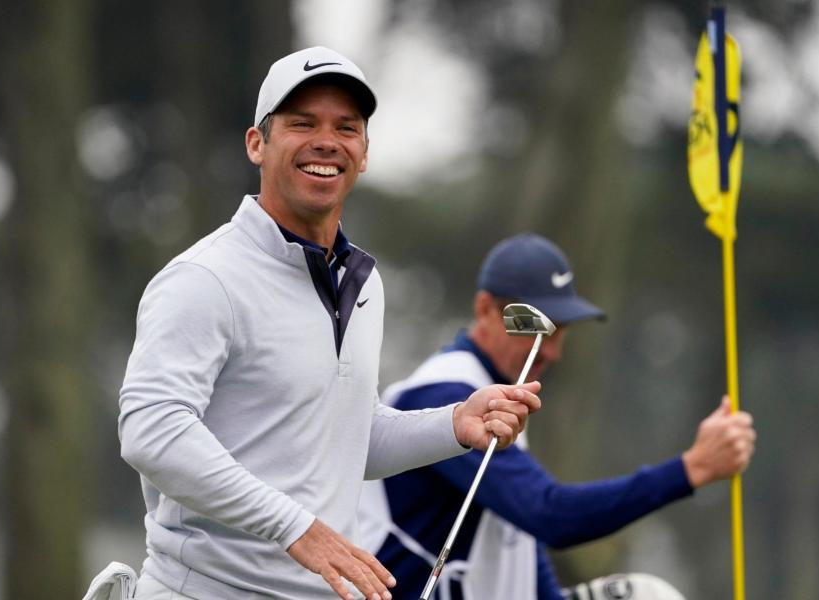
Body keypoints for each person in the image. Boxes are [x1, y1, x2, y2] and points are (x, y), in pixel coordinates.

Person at [116, 47, 542, 600]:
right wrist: (294, 526)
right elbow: (152, 430)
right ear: (256, 143)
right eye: (302, 123)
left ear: (363, 153)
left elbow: (340, 440)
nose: (326, 141)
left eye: (347, 127)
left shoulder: (365, 285)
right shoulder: (205, 277)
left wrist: (454, 425)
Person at [357, 233, 757, 599]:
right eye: (534, 327)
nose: (551, 351)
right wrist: (691, 468)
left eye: (559, 331)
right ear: (485, 309)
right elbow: (552, 516)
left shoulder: (498, 397)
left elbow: (527, 567)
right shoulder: (445, 394)